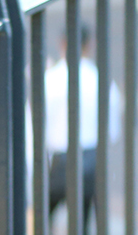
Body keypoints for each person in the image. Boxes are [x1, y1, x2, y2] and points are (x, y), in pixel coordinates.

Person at [42, 26, 122, 233]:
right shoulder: (100, 79)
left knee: (43, 216)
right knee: (82, 221)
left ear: (62, 44)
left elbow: (35, 126)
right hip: (91, 159)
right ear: (89, 46)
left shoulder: (51, 79)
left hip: (59, 159)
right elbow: (113, 130)